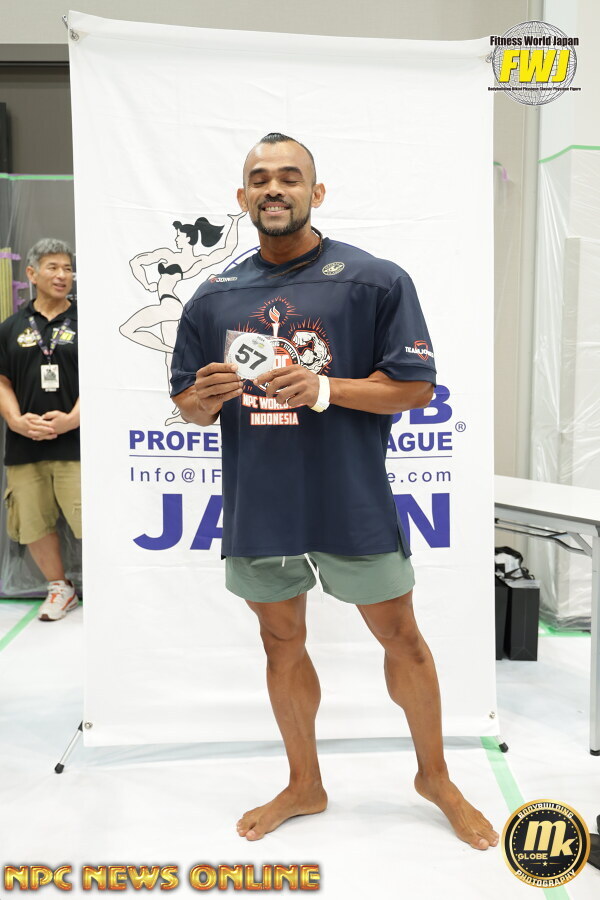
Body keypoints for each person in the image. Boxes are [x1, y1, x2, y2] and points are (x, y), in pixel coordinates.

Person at [171, 133, 499, 851]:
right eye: (260, 179)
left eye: (290, 177)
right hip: (261, 503)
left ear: (316, 193)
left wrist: (324, 388)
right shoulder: (213, 296)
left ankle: (435, 778)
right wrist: (203, 397)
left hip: (350, 497)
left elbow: (414, 387)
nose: (274, 188)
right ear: (242, 198)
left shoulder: (375, 280)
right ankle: (305, 784)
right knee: (280, 642)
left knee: (402, 638)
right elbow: (189, 407)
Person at [0, 238, 80, 621]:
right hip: (25, 445)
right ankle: (59, 588)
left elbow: (103, 378)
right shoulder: (10, 327)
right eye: (53, 267)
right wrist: (15, 420)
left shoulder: (87, 322)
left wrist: (74, 419)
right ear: (31, 274)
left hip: (78, 443)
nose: (62, 275)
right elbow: (2, 382)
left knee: (91, 517)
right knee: (32, 520)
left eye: (67, 268)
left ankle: (109, 589)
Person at [120, 213, 245, 425]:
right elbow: (136, 262)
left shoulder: (195, 261)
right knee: (169, 361)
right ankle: (180, 411)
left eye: (179, 235)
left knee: (129, 329)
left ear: (189, 238)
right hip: (167, 303)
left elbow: (227, 250)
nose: (177, 238)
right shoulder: (167, 254)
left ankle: (170, 351)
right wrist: (147, 283)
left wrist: (234, 222)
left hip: (170, 304)